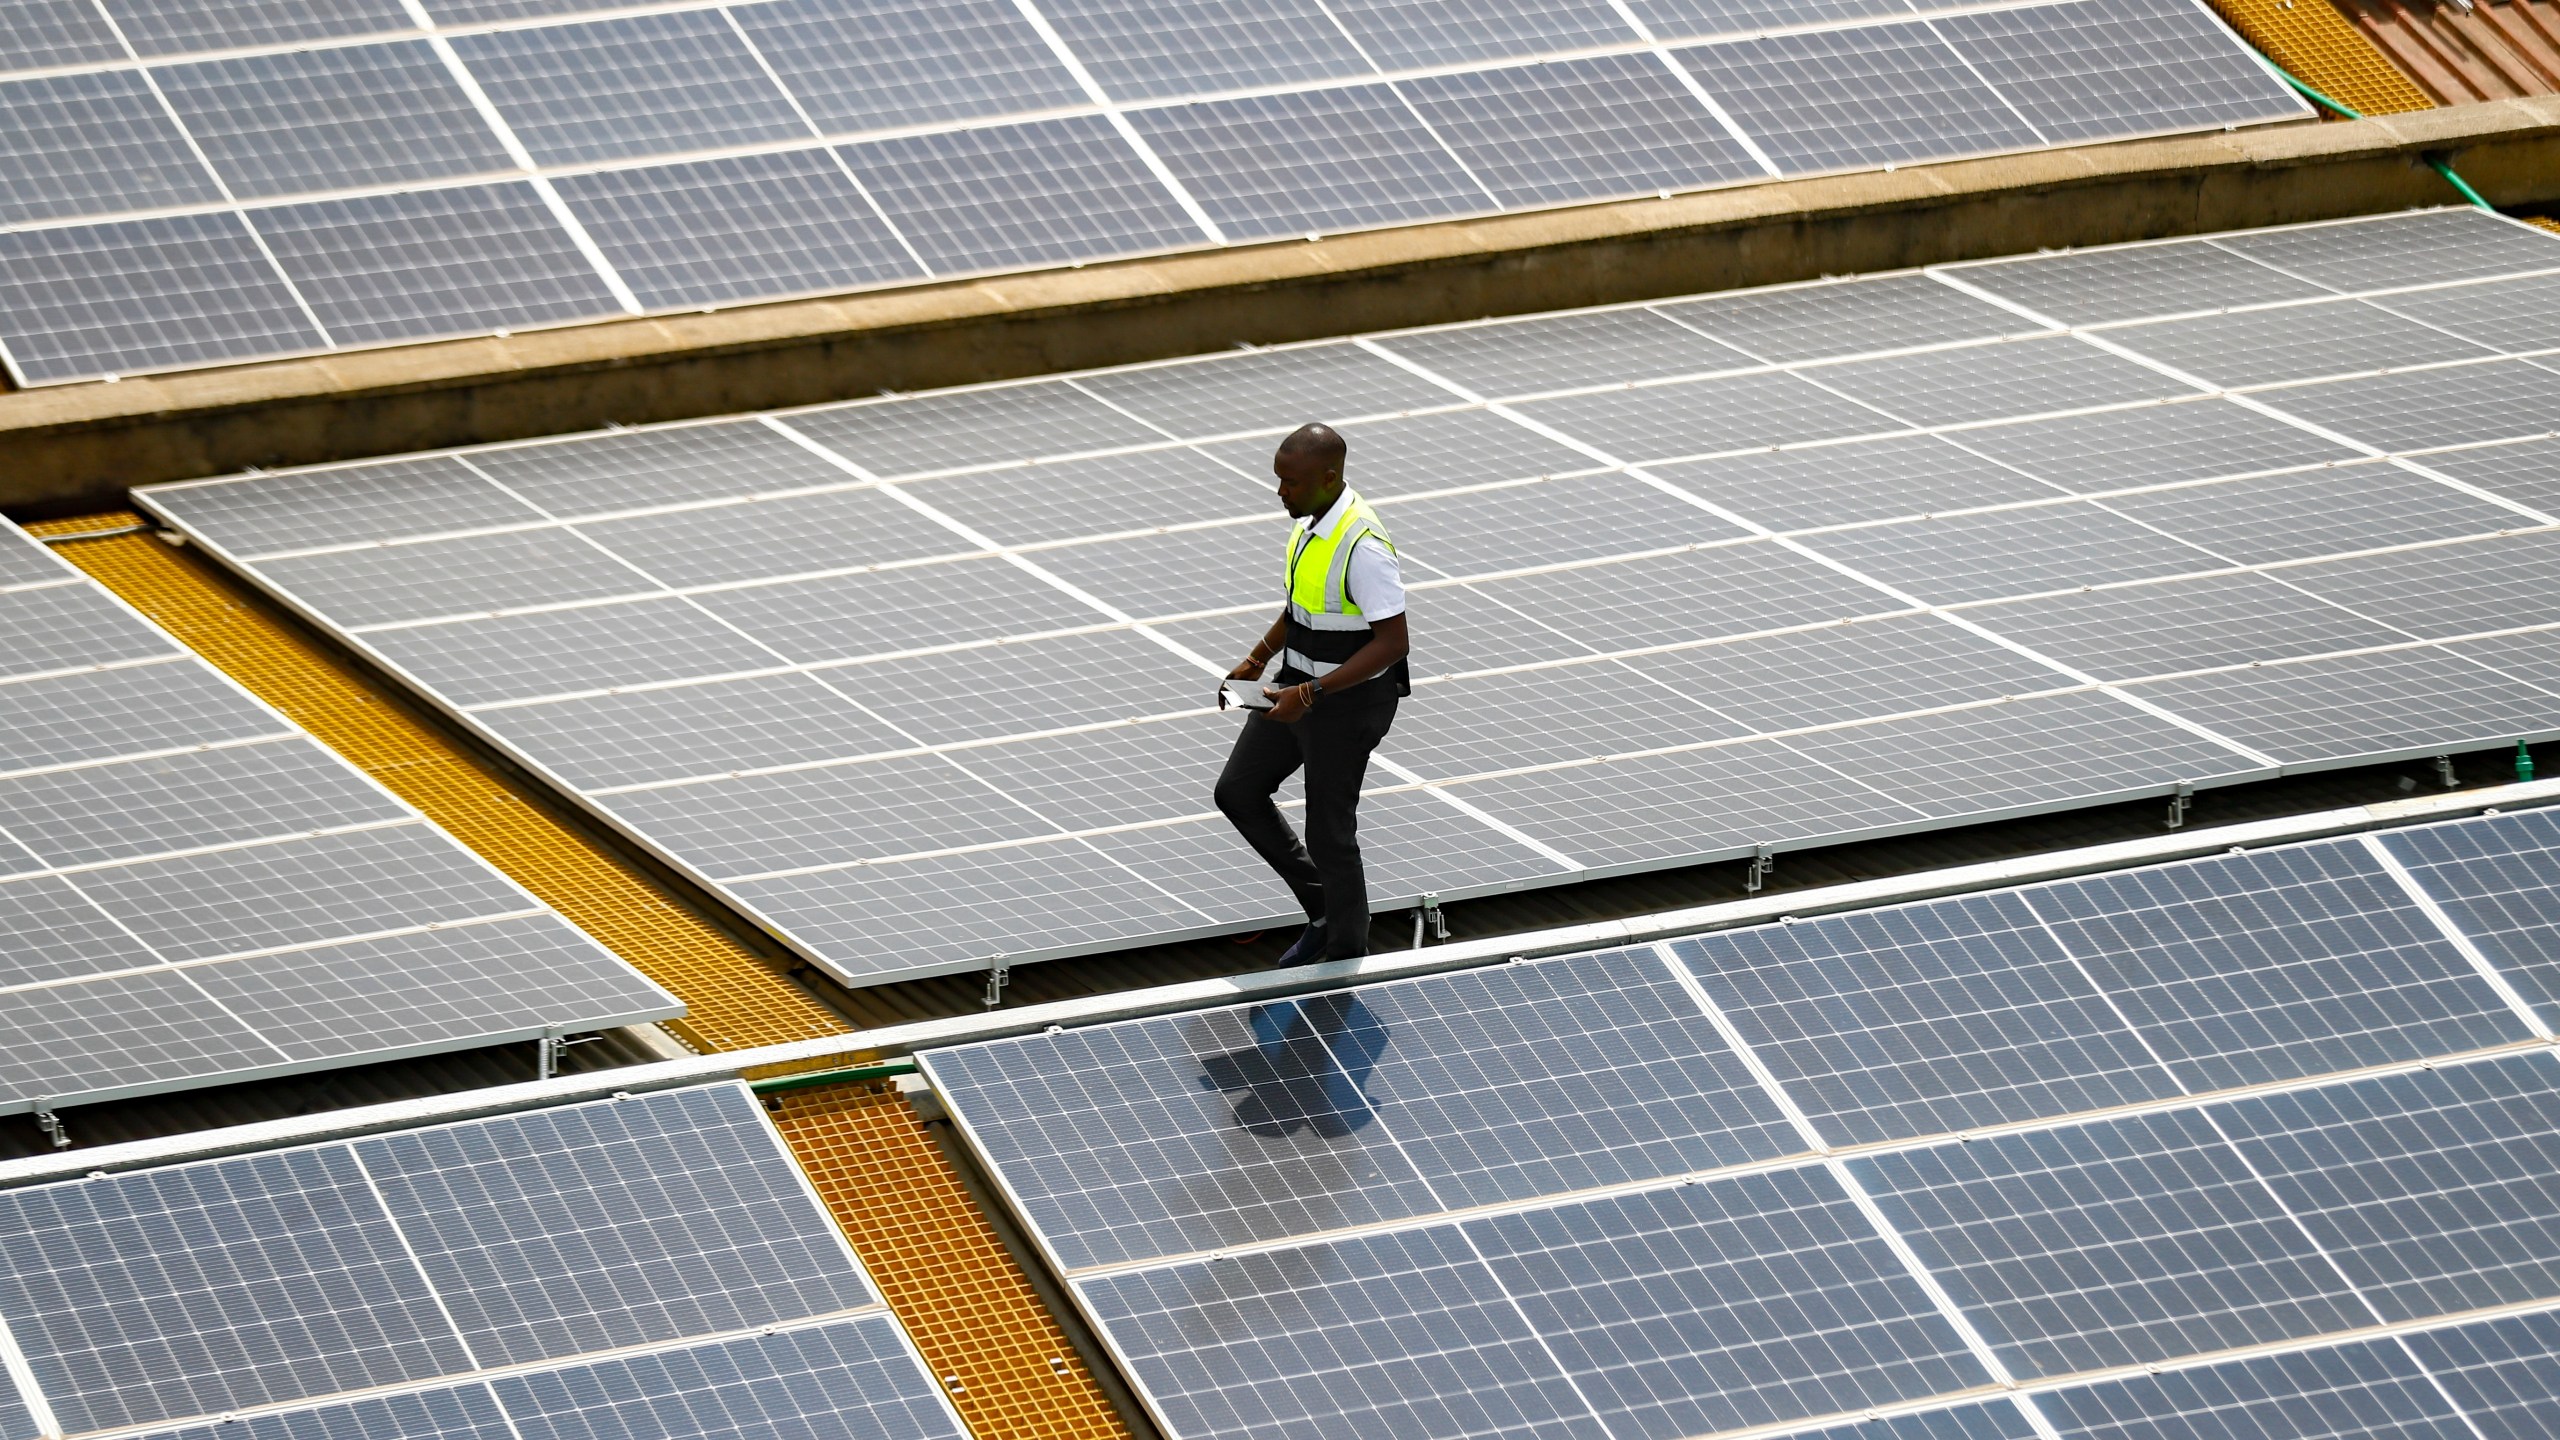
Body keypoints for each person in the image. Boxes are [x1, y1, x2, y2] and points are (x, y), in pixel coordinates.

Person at [1214, 423, 1411, 965]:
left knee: (1329, 833)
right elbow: (1301, 607)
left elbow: (1393, 643)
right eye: (1278, 481)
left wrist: (1315, 690)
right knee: (1237, 791)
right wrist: (1257, 659)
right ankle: (1326, 910)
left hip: (1346, 705)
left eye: (1291, 483)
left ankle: (1346, 954)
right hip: (1294, 687)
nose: (1281, 492)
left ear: (1329, 478)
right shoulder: (1308, 523)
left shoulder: (1363, 545)